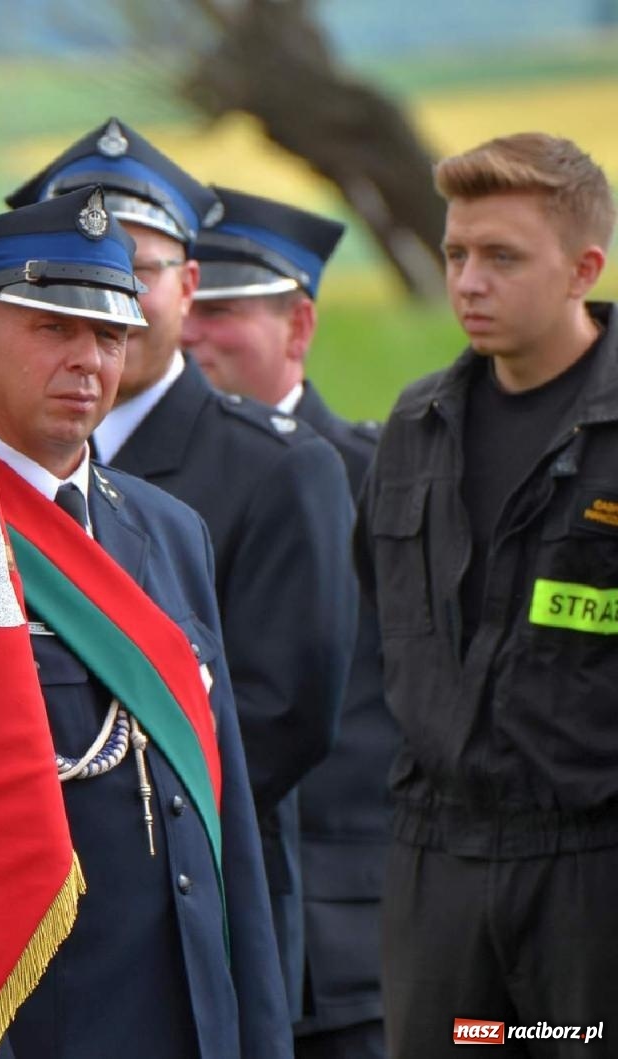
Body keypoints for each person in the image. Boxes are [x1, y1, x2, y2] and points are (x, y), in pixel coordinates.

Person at [8, 117, 358, 1023]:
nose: (106, 313)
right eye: (61, 311)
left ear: (184, 287)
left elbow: (276, 716)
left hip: (192, 897)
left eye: (138, 273)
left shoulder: (265, 469)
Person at [0, 186, 291, 1058]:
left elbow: (229, 824)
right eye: (54, 329)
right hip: (37, 1018)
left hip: (189, 1014)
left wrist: (256, 1024)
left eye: (109, 334)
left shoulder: (167, 529)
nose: (89, 359)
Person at [354, 132, 617, 1058]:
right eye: (457, 253)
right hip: (442, 872)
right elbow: (372, 632)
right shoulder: (415, 429)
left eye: (502, 258)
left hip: (587, 881)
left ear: (584, 267)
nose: (468, 280)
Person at [183, 187, 399, 1059]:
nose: (194, 332)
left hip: (346, 934)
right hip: (211, 915)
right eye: (183, 307)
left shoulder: (379, 479)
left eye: (224, 311)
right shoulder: (131, 484)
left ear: (299, 327)